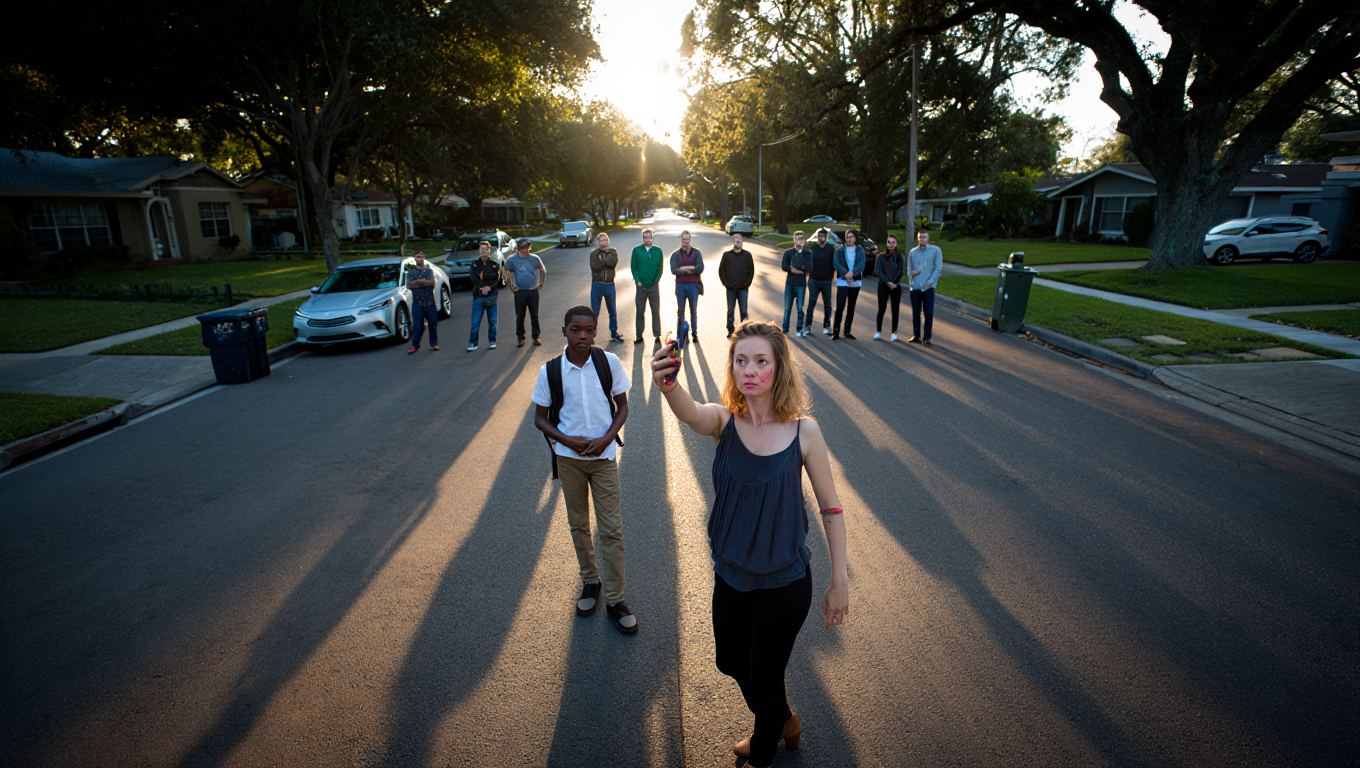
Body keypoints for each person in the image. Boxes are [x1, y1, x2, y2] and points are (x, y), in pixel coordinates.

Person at [650, 320, 850, 768]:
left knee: (764, 673)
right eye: (741, 361)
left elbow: (831, 510)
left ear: (779, 368)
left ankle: (766, 746)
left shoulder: (805, 433)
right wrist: (668, 385)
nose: (750, 370)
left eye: (761, 361)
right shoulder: (724, 421)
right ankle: (782, 718)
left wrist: (840, 581)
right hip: (732, 575)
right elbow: (691, 412)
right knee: (729, 661)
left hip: (784, 583)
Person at [532, 306, 637, 634]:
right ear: (564, 331)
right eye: (575, 329)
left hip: (604, 459)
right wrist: (568, 440)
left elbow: (623, 407)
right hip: (570, 459)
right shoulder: (550, 371)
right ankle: (590, 581)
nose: (582, 335)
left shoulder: (609, 363)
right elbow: (540, 417)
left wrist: (607, 438)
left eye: (589, 330)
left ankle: (616, 599)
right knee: (578, 524)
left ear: (595, 331)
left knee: (611, 529)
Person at [506, 237, 547, 347]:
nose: (527, 249)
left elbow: (543, 270)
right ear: (519, 249)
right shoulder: (511, 260)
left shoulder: (534, 258)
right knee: (520, 316)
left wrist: (540, 284)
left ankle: (536, 336)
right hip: (519, 291)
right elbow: (507, 274)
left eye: (528, 247)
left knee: (534, 315)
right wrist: (511, 287)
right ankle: (520, 337)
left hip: (532, 291)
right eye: (524, 247)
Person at [907, 229, 943, 346]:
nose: (922, 239)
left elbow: (937, 268)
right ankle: (916, 335)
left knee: (928, 312)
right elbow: (909, 269)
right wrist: (912, 280)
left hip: (928, 288)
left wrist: (931, 282)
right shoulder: (913, 252)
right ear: (917, 238)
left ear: (928, 238)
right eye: (920, 237)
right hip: (916, 288)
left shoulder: (935, 250)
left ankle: (927, 337)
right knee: (916, 312)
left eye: (924, 237)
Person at [589, 232, 626, 343]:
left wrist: (603, 261)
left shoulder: (613, 252)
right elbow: (594, 266)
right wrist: (605, 262)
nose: (604, 242)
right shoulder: (594, 254)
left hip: (609, 284)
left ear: (608, 241)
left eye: (605, 239)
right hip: (597, 284)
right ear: (598, 242)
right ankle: (591, 335)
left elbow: (613, 263)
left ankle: (614, 333)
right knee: (594, 312)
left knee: (612, 311)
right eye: (601, 240)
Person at [631, 228, 664, 344]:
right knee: (640, 311)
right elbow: (634, 268)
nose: (647, 239)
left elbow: (660, 268)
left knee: (655, 311)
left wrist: (656, 280)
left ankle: (657, 334)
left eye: (649, 237)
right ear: (642, 238)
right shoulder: (637, 251)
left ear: (652, 238)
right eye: (644, 237)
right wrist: (637, 280)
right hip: (641, 287)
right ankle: (639, 335)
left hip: (654, 287)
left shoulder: (658, 251)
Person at [719, 232, 755, 337]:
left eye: (740, 240)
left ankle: (745, 329)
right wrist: (726, 283)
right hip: (730, 288)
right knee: (730, 309)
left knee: (743, 310)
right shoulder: (727, 255)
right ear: (733, 242)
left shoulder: (747, 255)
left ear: (742, 242)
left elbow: (751, 271)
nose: (738, 242)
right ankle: (730, 329)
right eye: (736, 240)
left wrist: (746, 284)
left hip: (743, 288)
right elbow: (721, 270)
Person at [831, 230, 865, 340]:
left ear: (855, 238)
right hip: (842, 280)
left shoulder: (860, 250)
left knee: (851, 306)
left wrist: (852, 273)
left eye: (851, 237)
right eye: (847, 237)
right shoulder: (839, 251)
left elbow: (861, 265)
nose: (849, 239)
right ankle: (836, 331)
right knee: (840, 306)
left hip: (855, 282)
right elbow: (836, 263)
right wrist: (846, 274)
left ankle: (847, 331)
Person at [670, 231, 703, 343]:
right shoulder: (675, 254)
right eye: (684, 239)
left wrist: (684, 268)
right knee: (681, 311)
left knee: (693, 310)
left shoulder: (697, 253)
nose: (685, 241)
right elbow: (674, 270)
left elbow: (700, 268)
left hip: (694, 286)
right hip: (680, 286)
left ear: (690, 239)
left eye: (687, 239)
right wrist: (691, 269)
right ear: (681, 240)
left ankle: (694, 334)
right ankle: (682, 335)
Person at [468, 240, 501, 351]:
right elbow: (473, 279)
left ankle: (492, 341)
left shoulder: (495, 265)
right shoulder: (474, 264)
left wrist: (489, 288)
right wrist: (482, 288)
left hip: (492, 297)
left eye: (486, 249)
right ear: (479, 251)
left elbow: (497, 281)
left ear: (489, 251)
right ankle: (473, 343)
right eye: (481, 249)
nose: (483, 251)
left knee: (492, 321)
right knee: (475, 322)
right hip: (479, 297)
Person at [405, 251, 439, 353]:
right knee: (417, 326)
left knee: (433, 324)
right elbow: (409, 285)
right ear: (414, 259)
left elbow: (432, 283)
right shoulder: (412, 272)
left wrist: (419, 282)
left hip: (429, 303)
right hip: (417, 303)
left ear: (424, 257)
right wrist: (423, 282)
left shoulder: (429, 271)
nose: (419, 259)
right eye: (417, 257)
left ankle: (434, 344)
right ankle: (415, 345)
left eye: (420, 257)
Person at [781, 231, 813, 337]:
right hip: (790, 283)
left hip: (801, 285)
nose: (799, 240)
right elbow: (784, 266)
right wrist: (796, 269)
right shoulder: (788, 253)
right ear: (794, 239)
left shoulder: (808, 253)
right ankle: (785, 329)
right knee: (787, 308)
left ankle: (799, 329)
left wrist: (795, 270)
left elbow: (809, 268)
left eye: (801, 238)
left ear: (804, 240)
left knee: (800, 308)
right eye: (797, 238)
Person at [874, 234, 905, 341]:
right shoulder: (881, 257)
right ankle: (878, 331)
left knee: (895, 309)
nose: (890, 244)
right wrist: (888, 282)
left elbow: (901, 271)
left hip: (896, 286)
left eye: (893, 242)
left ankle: (894, 332)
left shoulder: (899, 257)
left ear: (896, 244)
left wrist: (894, 283)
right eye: (889, 242)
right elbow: (879, 272)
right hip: (883, 285)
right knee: (882, 308)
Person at [805, 229, 836, 336]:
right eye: (819, 236)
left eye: (823, 236)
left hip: (827, 280)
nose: (821, 238)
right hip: (814, 280)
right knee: (811, 303)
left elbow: (835, 263)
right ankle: (808, 326)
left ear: (826, 237)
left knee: (827, 304)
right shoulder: (813, 248)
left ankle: (827, 326)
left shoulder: (831, 249)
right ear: (817, 237)